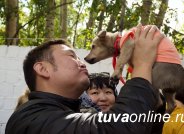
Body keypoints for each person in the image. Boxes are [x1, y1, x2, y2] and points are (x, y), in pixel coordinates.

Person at [5, 24, 165, 134]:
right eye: (71, 56)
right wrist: (142, 65)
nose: (82, 62)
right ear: (43, 69)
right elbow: (115, 129)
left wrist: (154, 99)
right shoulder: (30, 120)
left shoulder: (73, 111)